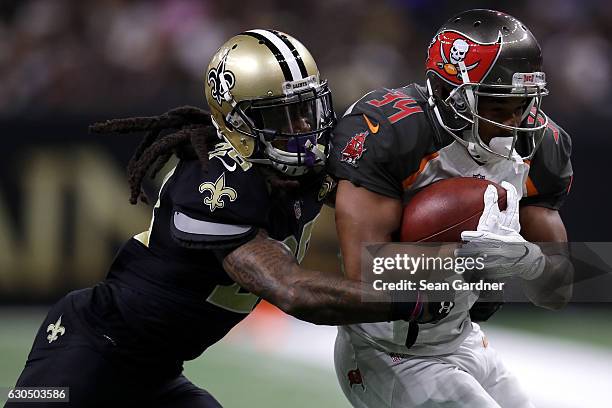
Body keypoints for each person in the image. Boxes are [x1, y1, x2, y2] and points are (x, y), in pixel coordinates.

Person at [6, 30, 437, 408]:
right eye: (281, 116)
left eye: (307, 108)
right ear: (237, 123)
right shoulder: (213, 184)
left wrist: (472, 269)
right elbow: (292, 290)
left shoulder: (299, 170)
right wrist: (411, 299)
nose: (304, 126)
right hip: (89, 348)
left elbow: (394, 212)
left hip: (156, 375)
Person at [328, 10, 574, 408]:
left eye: (524, 103)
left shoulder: (539, 144)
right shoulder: (394, 131)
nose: (515, 122)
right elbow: (365, 270)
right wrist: (462, 258)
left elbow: (557, 291)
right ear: (451, 94)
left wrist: (531, 262)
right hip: (390, 348)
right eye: (497, 106)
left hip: (463, 336)